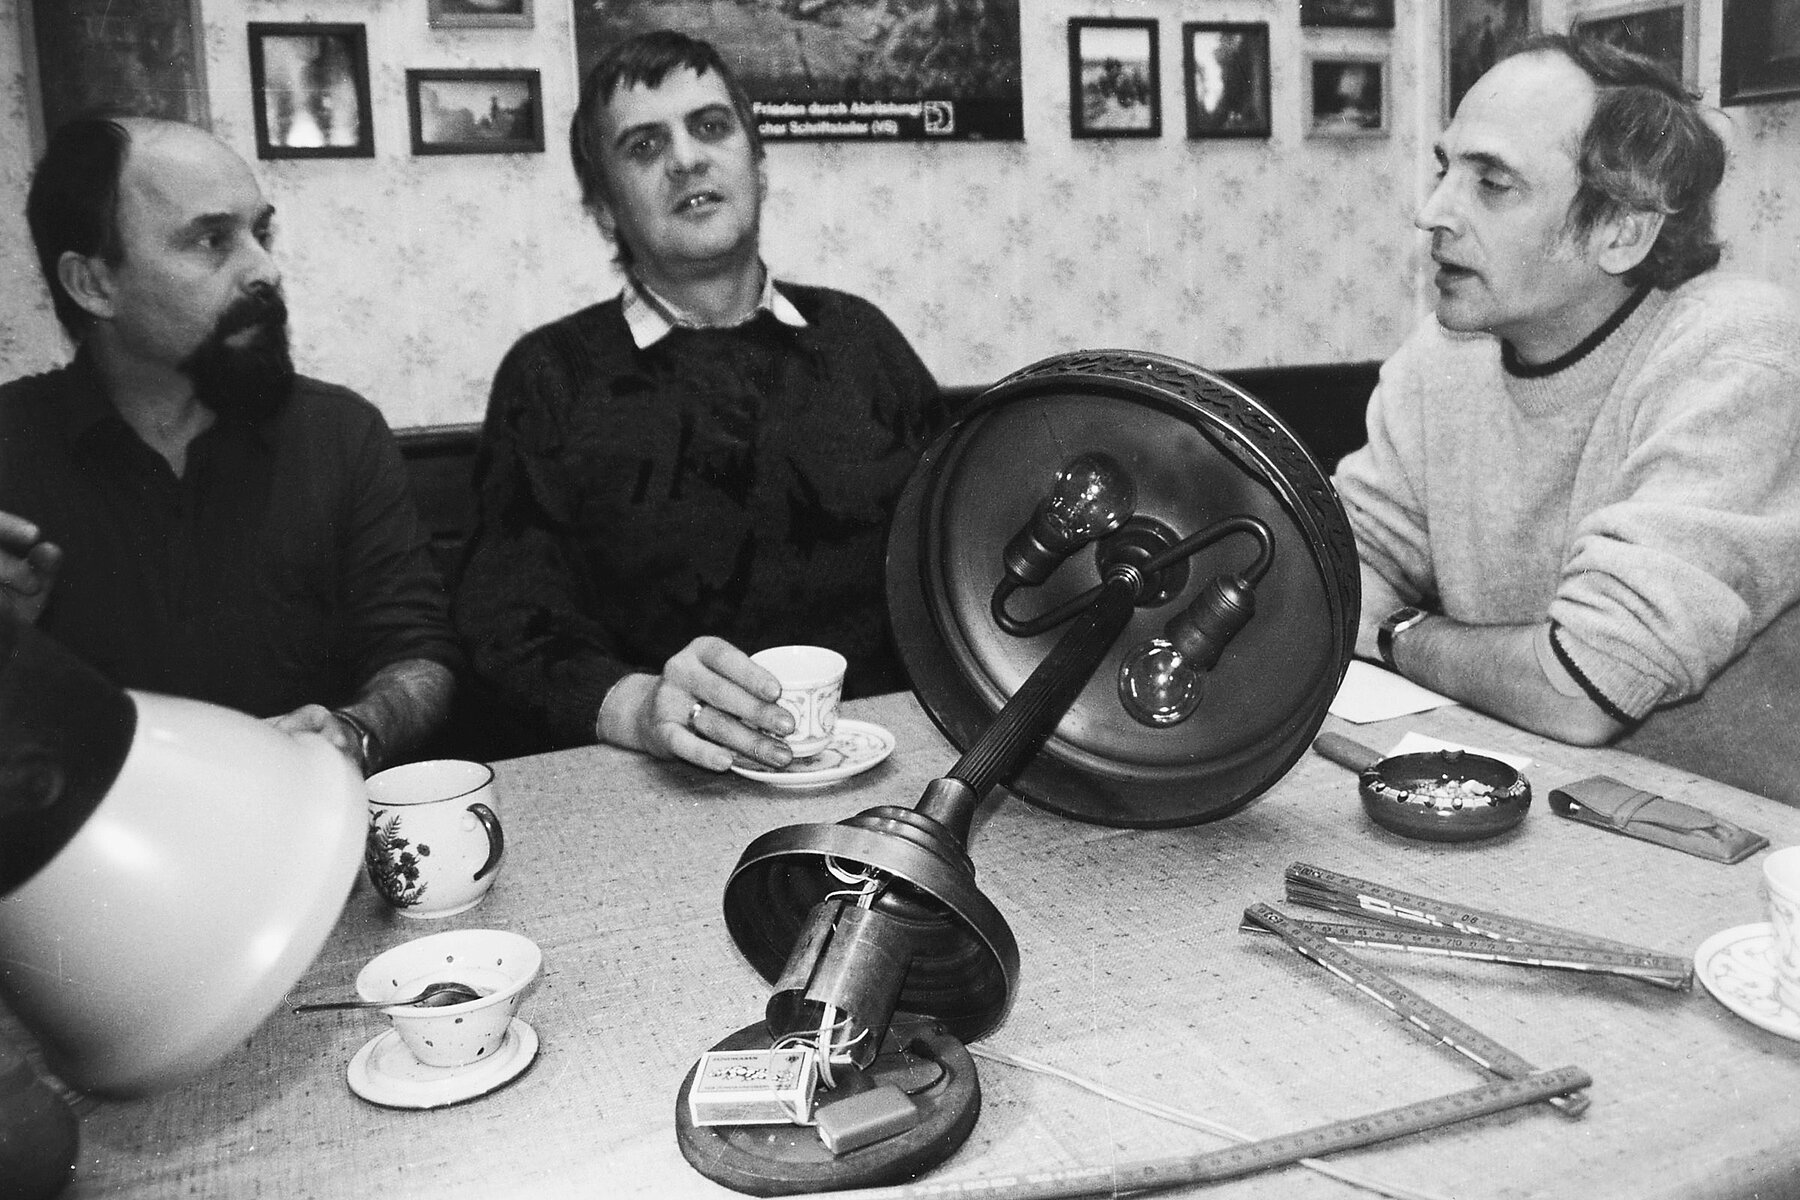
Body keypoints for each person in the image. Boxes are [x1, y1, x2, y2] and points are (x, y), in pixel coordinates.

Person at [453, 30, 944, 772]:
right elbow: (508, 630)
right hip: (663, 782)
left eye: (710, 127)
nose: (686, 158)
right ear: (604, 207)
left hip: (893, 765)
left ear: (758, 163)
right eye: (645, 147)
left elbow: (959, 555)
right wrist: (641, 709)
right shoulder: (550, 375)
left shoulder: (861, 339)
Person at [1333, 35, 1800, 802]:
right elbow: (1336, 567)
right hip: (1531, 786)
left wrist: (1397, 634)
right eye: (1446, 168)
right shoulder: (1448, 352)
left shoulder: (1741, 353)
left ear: (1621, 230)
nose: (1432, 213)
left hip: (1719, 831)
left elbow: (1583, 686)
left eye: (1494, 183)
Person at [0, 114, 458, 775]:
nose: (265, 269)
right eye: (212, 241)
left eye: (261, 232)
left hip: (311, 838)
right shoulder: (12, 454)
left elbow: (420, 654)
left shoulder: (338, 434)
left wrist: (356, 731)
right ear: (95, 284)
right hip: (90, 860)